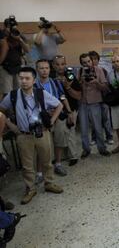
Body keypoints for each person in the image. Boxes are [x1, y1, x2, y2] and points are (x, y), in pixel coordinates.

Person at [0, 67, 63, 204]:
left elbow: (59, 105)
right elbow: (2, 111)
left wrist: (52, 121)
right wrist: (11, 125)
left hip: (42, 132)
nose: (23, 81)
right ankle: (30, 188)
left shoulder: (41, 93)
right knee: (27, 165)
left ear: (34, 80)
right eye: (21, 78)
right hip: (23, 135)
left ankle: (49, 183)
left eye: (27, 78)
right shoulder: (13, 95)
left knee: (47, 160)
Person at [35, 59, 74, 176]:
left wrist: (69, 111)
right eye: (41, 68)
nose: (44, 71)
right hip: (42, 118)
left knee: (59, 141)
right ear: (37, 70)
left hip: (58, 116)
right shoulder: (34, 85)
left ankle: (58, 164)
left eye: (46, 68)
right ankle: (39, 173)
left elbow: (62, 97)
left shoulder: (55, 83)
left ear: (49, 69)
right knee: (42, 146)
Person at [77, 53, 111, 158]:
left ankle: (102, 149)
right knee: (83, 128)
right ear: (81, 64)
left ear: (92, 61)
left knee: (98, 128)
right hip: (83, 103)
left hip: (95, 102)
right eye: (84, 62)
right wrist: (80, 80)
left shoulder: (99, 70)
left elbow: (105, 88)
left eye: (88, 61)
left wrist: (97, 82)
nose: (87, 64)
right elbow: (77, 87)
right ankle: (86, 149)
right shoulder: (80, 71)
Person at [53, 55, 81, 166]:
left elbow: (79, 96)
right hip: (55, 111)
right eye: (57, 64)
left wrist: (67, 86)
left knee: (70, 132)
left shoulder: (70, 77)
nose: (60, 67)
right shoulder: (50, 78)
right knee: (59, 134)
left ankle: (73, 156)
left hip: (71, 109)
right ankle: (62, 156)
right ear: (53, 65)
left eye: (63, 64)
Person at [0, 17, 29, 100]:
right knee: (6, 93)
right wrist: (6, 36)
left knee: (18, 91)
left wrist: (19, 39)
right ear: (5, 27)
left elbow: (27, 50)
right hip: (5, 67)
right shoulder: (2, 36)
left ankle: (16, 109)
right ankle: (6, 111)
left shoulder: (18, 35)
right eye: (10, 27)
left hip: (17, 67)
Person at [89, 50, 113, 145]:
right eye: (91, 59)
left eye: (95, 59)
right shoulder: (85, 71)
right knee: (94, 120)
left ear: (98, 60)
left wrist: (97, 83)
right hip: (92, 100)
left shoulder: (103, 71)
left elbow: (106, 87)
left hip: (103, 99)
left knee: (106, 119)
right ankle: (94, 138)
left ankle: (109, 136)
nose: (93, 61)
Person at [106, 55, 119, 154]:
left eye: (117, 61)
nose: (116, 63)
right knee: (118, 125)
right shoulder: (110, 75)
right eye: (113, 62)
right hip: (115, 104)